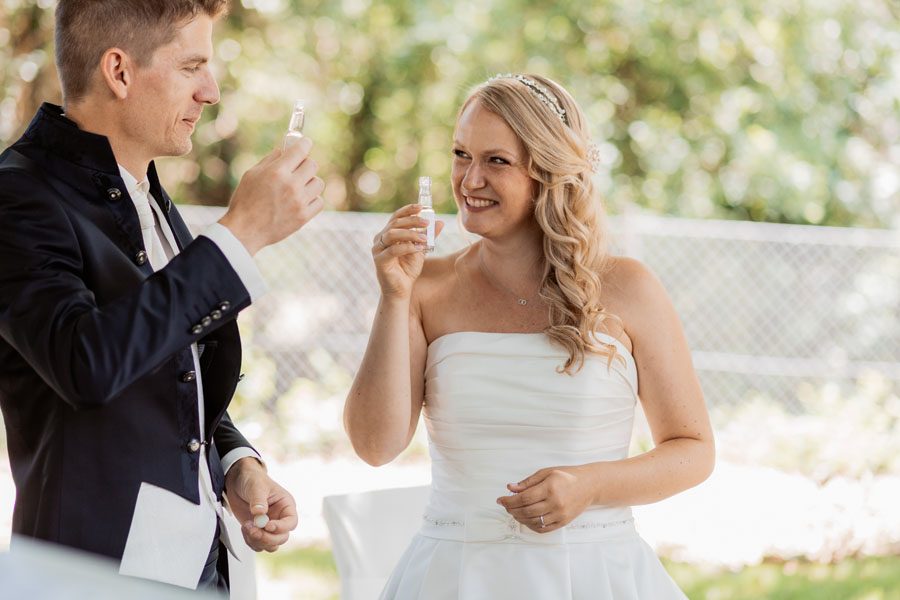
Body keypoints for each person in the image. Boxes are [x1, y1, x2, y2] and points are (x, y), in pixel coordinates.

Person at [343, 73, 715, 598]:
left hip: (594, 574)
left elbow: (694, 449)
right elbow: (375, 446)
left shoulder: (628, 288)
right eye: (460, 154)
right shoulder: (425, 286)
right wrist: (393, 295)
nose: (469, 180)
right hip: (453, 576)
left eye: (496, 160)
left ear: (548, 170)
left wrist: (592, 485)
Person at [0, 0, 325, 593]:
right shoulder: (18, 196)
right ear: (119, 71)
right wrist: (240, 233)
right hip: (92, 578)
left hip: (199, 564)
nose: (212, 91)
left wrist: (236, 463)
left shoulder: (144, 192)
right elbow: (86, 363)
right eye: (192, 66)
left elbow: (172, 366)